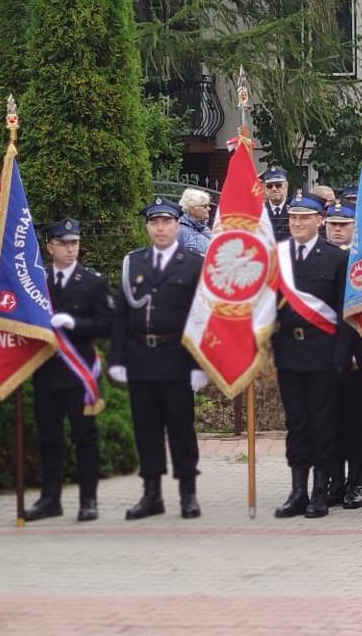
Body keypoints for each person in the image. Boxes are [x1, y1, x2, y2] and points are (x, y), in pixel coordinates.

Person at [110, 198, 207, 520]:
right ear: (147, 227)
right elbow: (122, 314)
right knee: (146, 428)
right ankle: (151, 494)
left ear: (178, 225)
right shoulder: (133, 263)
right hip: (140, 357)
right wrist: (118, 358)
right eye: (154, 223)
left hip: (177, 358)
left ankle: (188, 493)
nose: (161, 228)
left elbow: (201, 318)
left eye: (167, 222)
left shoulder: (193, 264)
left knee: (181, 427)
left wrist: (198, 365)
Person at [26, 219, 114, 523]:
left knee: (85, 438)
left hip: (79, 375)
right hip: (46, 373)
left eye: (74, 242)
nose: (70, 248)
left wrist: (76, 325)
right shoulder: (38, 282)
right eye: (63, 243)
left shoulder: (92, 282)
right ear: (50, 246)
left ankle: (88, 500)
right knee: (49, 439)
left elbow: (107, 325)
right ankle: (50, 499)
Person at [270, 195, 352, 519]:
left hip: (323, 352)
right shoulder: (279, 257)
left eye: (304, 218)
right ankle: (297, 491)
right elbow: (266, 306)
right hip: (289, 352)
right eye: (292, 218)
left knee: (322, 423)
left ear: (320, 220)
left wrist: (342, 356)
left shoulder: (334, 258)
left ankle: (321, 491)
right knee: (296, 424)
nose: (297, 224)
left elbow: (346, 312)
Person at [322, 200, 362, 509]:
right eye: (333, 224)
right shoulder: (320, 257)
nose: (337, 229)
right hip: (323, 353)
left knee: (355, 424)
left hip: (356, 356)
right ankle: (334, 479)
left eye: (343, 224)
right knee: (328, 421)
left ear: (355, 228)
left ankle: (355, 482)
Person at [177, 188, 213, 255]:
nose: (209, 208)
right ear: (192, 209)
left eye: (208, 205)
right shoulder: (181, 231)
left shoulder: (203, 228)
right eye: (205, 206)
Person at [261, 167, 292, 241]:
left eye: (278, 185)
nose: (274, 189)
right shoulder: (260, 211)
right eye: (269, 186)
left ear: (286, 186)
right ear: (264, 189)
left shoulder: (295, 209)